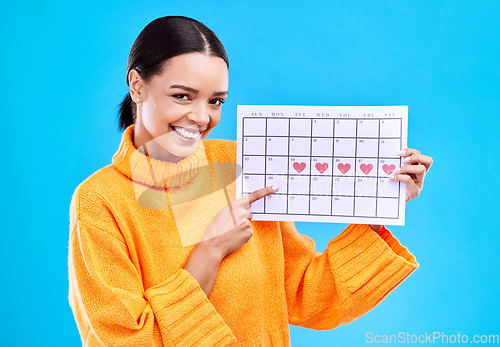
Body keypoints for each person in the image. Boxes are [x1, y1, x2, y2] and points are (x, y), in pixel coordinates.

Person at [68, 15, 433, 346]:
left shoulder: (239, 164)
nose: (201, 117)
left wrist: (378, 205)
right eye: (183, 96)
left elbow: (307, 297)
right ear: (137, 85)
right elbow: (126, 340)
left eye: (216, 101)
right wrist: (208, 252)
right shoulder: (101, 202)